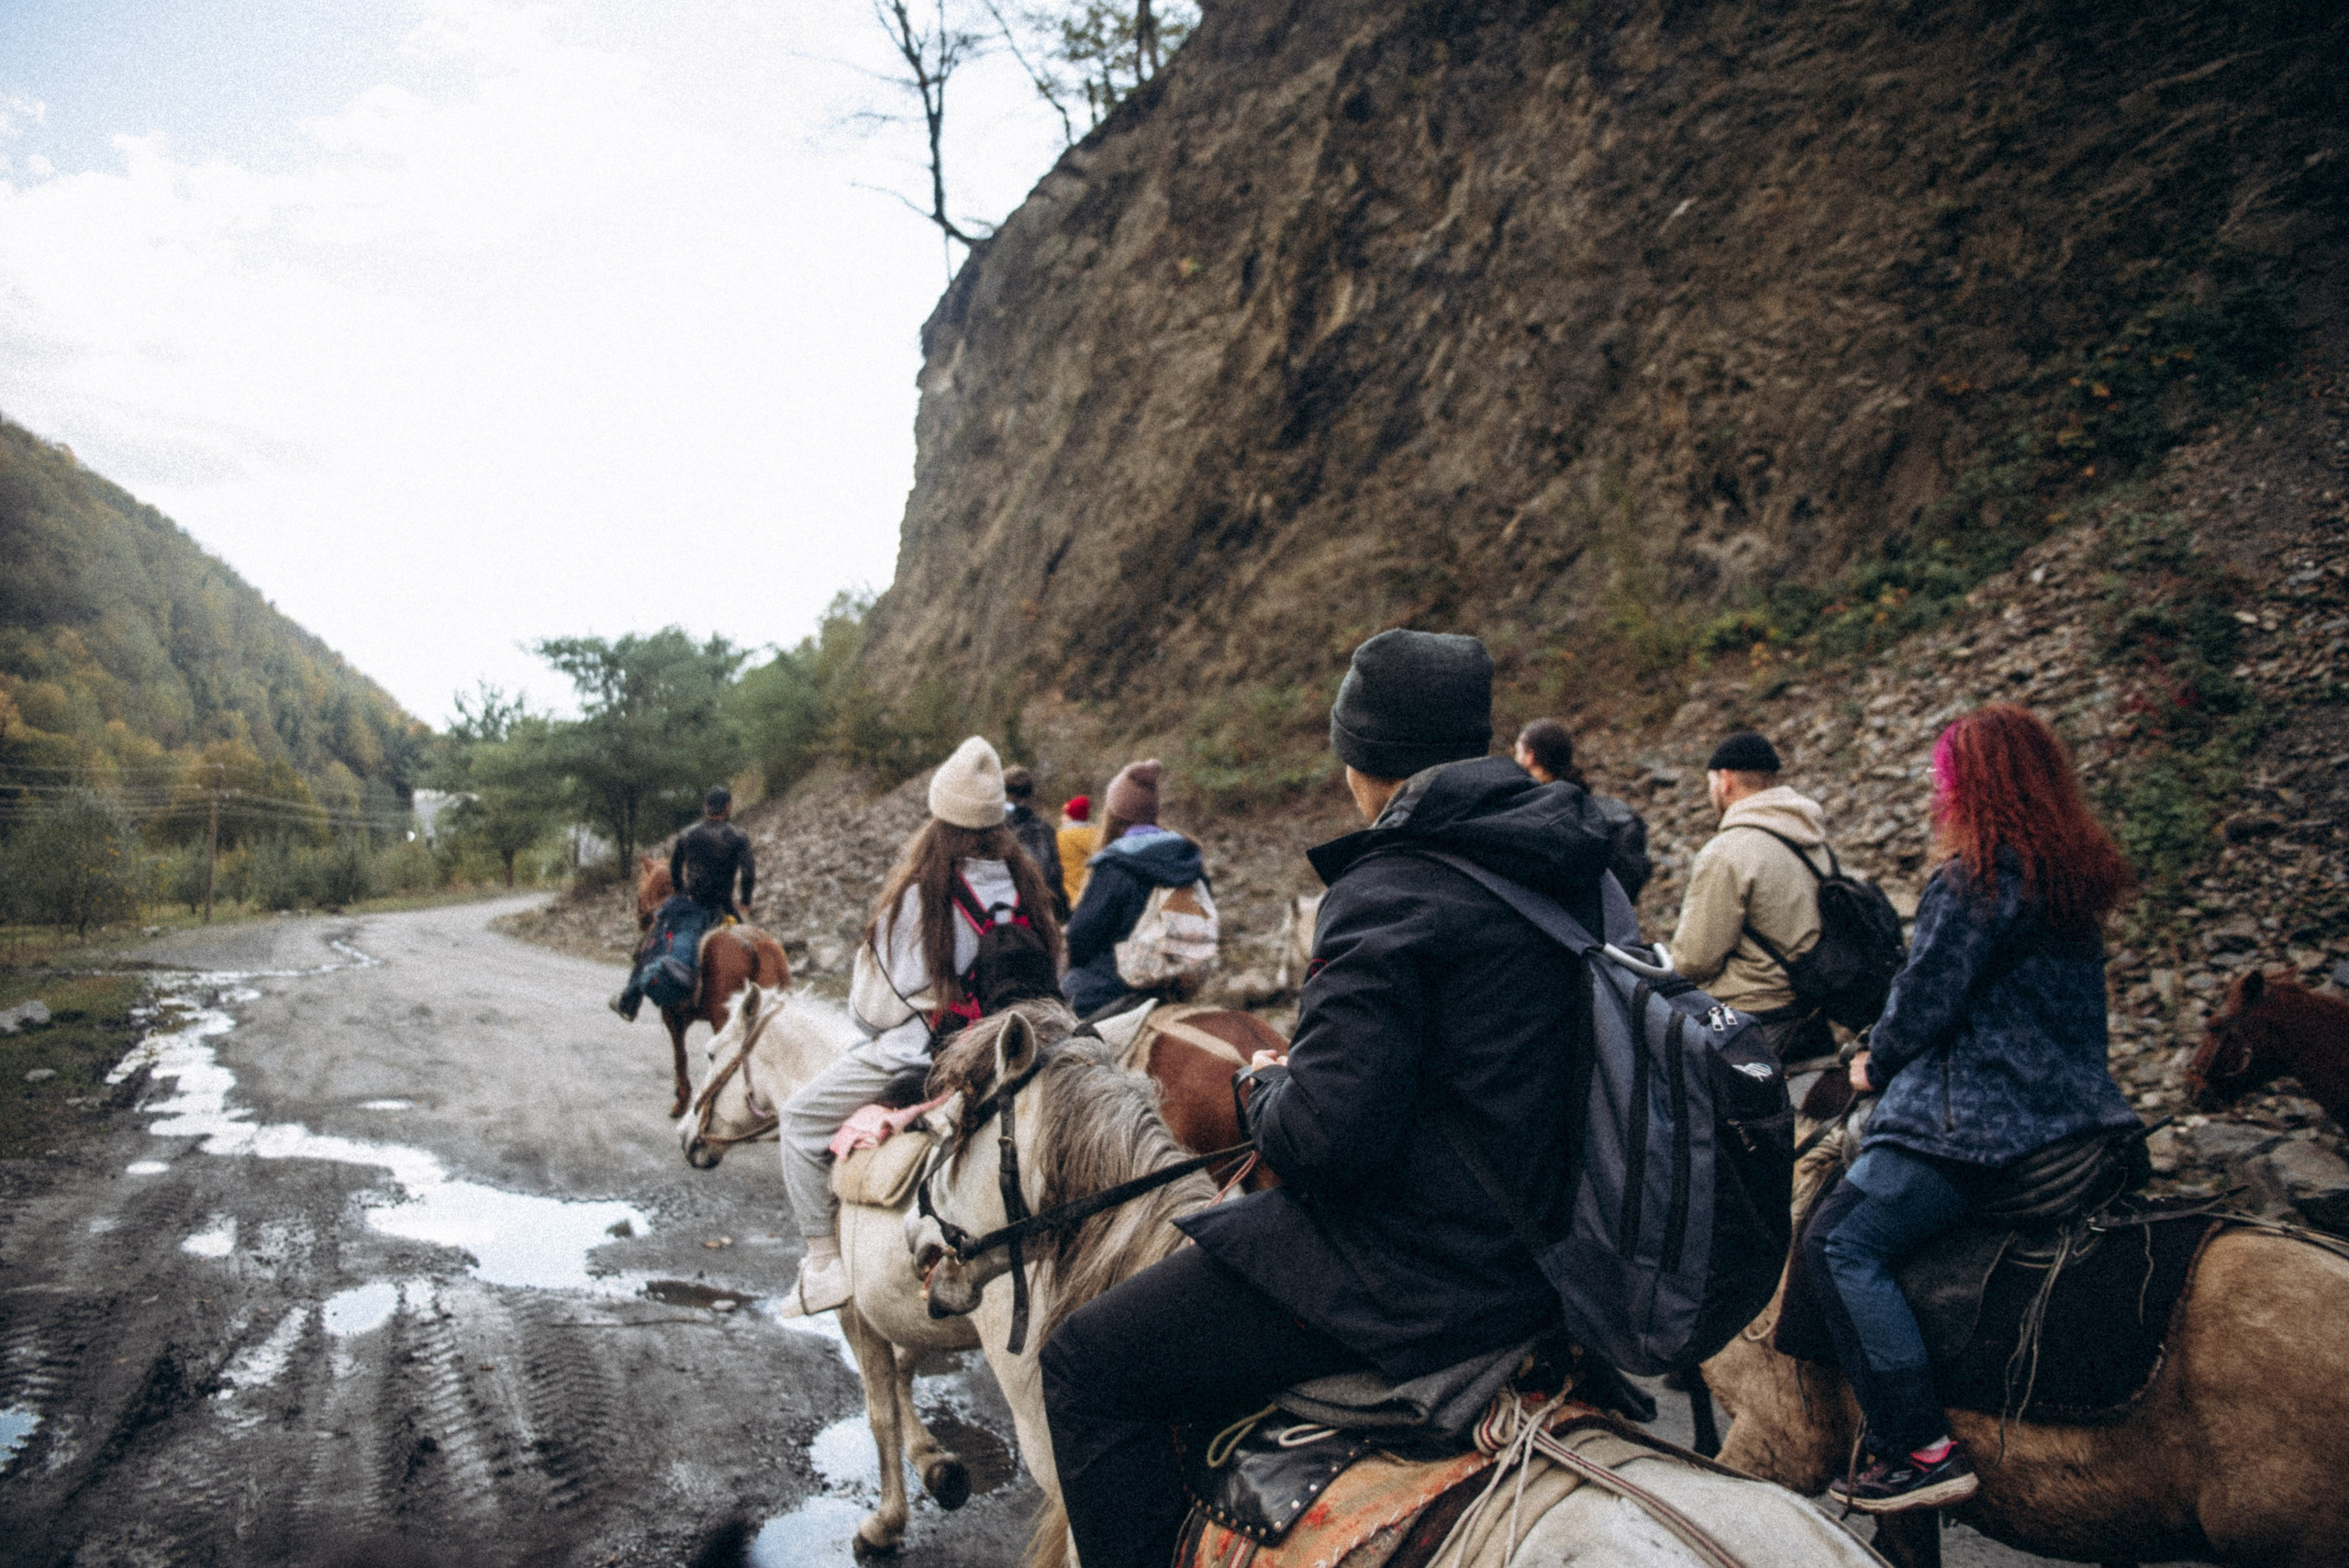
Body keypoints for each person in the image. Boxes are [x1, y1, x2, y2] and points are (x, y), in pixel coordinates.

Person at [1040, 629, 1623, 1568]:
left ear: (1362, 755)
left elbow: (1324, 1139)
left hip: (1416, 1270)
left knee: (1084, 1366)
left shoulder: (1387, 886)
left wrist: (1267, 1092)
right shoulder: (1573, 863)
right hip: (1551, 1254)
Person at [1810, 704, 2137, 1513]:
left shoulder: (1975, 875)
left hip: (1982, 1130)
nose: (1935, 789)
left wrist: (1870, 1062)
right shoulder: (2071, 874)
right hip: (2083, 1121)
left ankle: (1918, 1446)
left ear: (1971, 784)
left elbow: (1925, 1000)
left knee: (1838, 1243)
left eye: (1943, 775)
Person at [773, 736, 1063, 1317]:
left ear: (941, 815)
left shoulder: (919, 895)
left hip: (931, 1054)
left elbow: (871, 1012)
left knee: (799, 1121)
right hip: (1025, 1044)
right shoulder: (1026, 882)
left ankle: (825, 1265)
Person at [1665, 730, 1836, 1063]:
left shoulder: (1727, 851)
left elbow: (1693, 960)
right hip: (1813, 1013)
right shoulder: (1813, 840)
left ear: (1724, 780)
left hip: (1751, 1019)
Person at [1059, 760, 1208, 1018]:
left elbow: (1081, 937)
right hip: (1183, 978)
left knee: (1057, 1012)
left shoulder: (1115, 863)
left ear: (1115, 815)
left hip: (1119, 981)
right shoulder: (1186, 856)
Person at [609, 785, 753, 1021]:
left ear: (705, 807)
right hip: (725, 908)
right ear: (727, 807)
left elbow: (675, 869)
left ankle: (629, 1001)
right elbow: (748, 874)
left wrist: (681, 891)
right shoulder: (738, 837)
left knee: (650, 945)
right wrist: (745, 902)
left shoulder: (688, 834)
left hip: (692, 906)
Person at [1513, 717, 1653, 899]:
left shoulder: (1532, 810)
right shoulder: (1589, 808)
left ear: (1530, 756)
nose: (1514, 758)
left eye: (1517, 751)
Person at [1001, 765, 1070, 918]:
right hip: (1049, 909)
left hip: (1016, 914)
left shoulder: (998, 832)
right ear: (1030, 795)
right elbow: (1055, 873)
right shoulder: (1046, 828)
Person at [1056, 795, 1099, 908]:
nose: (1061, 818)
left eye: (1065, 814)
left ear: (1072, 817)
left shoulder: (1061, 837)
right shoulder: (1098, 835)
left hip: (1068, 895)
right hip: (1092, 895)